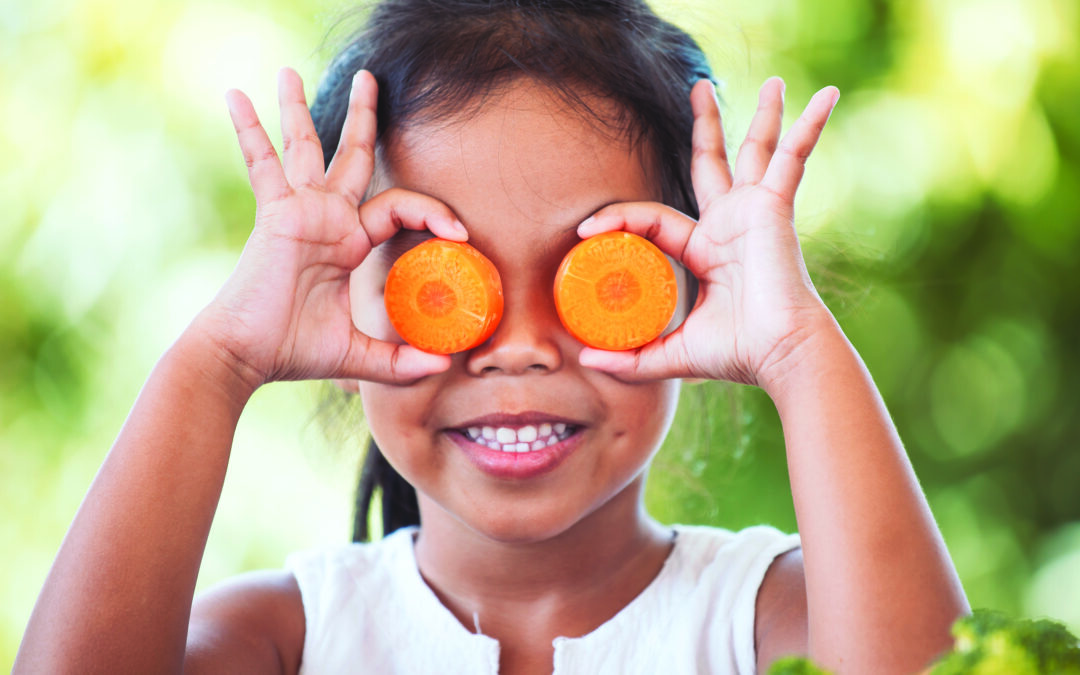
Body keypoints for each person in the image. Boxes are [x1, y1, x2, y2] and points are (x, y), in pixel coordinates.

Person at [15, 0, 969, 673]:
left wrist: (799, 352)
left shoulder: (773, 619)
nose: (516, 346)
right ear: (338, 306)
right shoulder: (282, 638)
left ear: (696, 296)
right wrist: (214, 364)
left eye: (599, 275)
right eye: (437, 274)